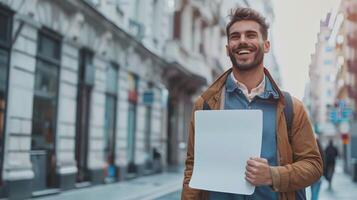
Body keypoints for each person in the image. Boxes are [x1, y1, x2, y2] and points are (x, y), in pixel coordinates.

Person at [181, 7, 323, 200]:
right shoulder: (206, 105)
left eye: (251, 35)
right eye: (235, 36)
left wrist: (272, 175)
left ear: (266, 45)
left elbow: (313, 166)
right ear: (227, 48)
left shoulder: (291, 108)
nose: (242, 41)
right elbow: (193, 168)